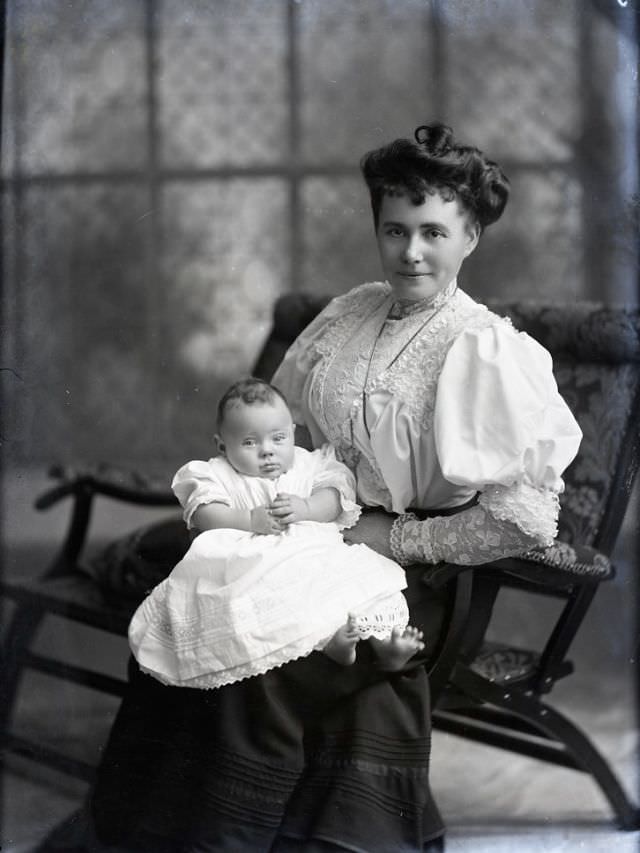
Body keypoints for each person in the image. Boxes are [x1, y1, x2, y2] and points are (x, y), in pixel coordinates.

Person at [89, 122, 582, 853]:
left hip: (421, 576)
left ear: (471, 235)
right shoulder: (350, 310)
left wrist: (396, 534)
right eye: (394, 230)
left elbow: (526, 515)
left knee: (254, 641)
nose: (410, 251)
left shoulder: (483, 347)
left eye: (433, 231)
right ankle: (153, 831)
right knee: (199, 600)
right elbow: (292, 434)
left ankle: (228, 833)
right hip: (316, 534)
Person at [128, 377, 424, 689]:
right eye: (249, 443)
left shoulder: (309, 464)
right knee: (274, 610)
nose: (267, 451)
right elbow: (202, 512)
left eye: (278, 438)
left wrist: (307, 508)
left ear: (292, 435)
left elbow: (336, 495)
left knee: (359, 589)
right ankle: (330, 644)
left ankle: (384, 646)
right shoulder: (215, 473)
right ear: (222, 446)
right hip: (249, 565)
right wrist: (247, 520)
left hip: (313, 553)